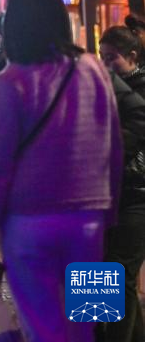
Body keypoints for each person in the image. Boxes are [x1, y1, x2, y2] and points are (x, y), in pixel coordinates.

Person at [0, 0, 122, 342]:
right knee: (89, 324)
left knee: (45, 331)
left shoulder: (7, 83)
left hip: (30, 226)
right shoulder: (94, 69)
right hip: (90, 223)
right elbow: (113, 147)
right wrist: (110, 213)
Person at [99, 24, 145, 342]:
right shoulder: (103, 89)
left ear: (132, 56)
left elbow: (125, 145)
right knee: (101, 272)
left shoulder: (138, 93)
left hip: (135, 195)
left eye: (112, 57)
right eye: (102, 57)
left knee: (119, 274)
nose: (106, 64)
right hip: (105, 195)